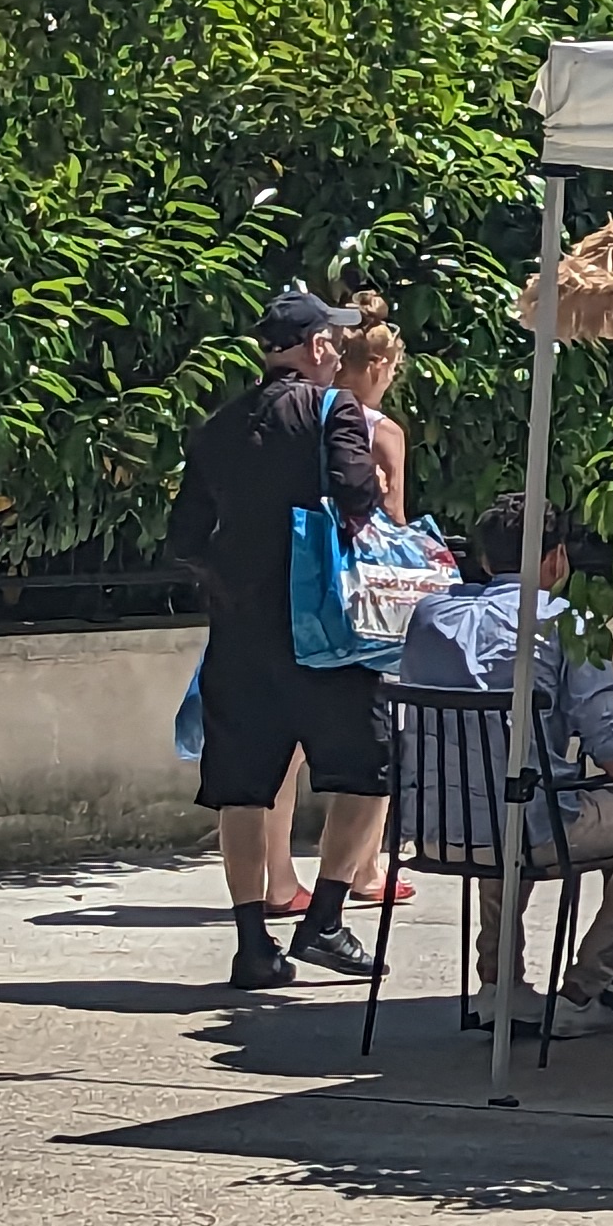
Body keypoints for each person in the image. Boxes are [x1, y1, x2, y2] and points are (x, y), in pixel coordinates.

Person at [165, 283, 394, 991]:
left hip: (240, 636)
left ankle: (251, 945)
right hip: (323, 632)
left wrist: (233, 578)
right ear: (318, 346)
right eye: (335, 340)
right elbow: (357, 495)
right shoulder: (334, 410)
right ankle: (324, 919)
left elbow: (184, 535)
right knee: (368, 769)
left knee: (242, 788)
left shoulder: (218, 427)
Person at [396, 496, 613, 1039]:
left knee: (503, 795)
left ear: (486, 559)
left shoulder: (430, 616)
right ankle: (586, 985)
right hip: (530, 831)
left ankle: (497, 982)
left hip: (438, 828)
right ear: (556, 559)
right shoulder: (563, 623)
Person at [256, 296, 418, 922]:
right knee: (372, 748)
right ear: (377, 366)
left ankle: (278, 877)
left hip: (289, 596)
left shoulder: (289, 413)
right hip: (359, 604)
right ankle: (362, 870)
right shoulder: (378, 429)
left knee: (282, 755)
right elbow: (390, 520)